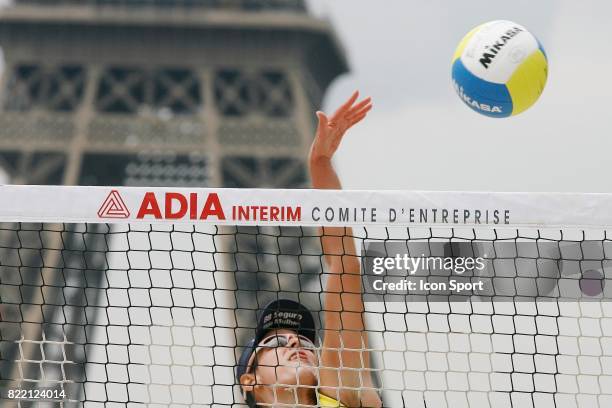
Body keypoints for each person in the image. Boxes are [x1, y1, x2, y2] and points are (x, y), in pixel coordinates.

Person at [236, 92, 380, 407]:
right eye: (274, 341)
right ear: (250, 380)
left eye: (305, 339)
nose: (296, 342)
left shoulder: (339, 398)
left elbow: (344, 266)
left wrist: (320, 163)